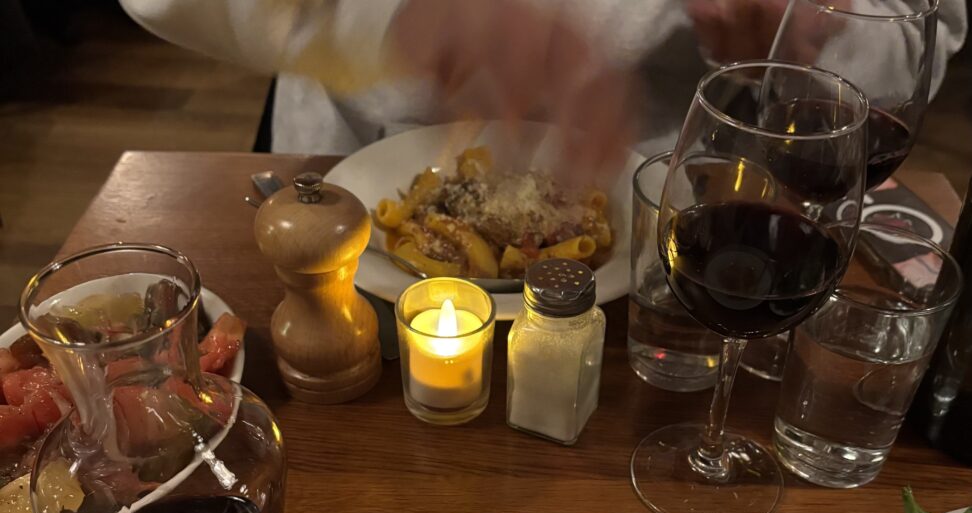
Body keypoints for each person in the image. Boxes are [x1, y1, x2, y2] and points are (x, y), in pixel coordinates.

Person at [119, 0, 967, 162]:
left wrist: (822, 27)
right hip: (358, 164)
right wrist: (382, 17)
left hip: (667, 196)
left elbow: (926, 22)